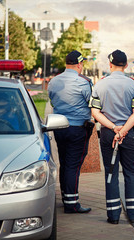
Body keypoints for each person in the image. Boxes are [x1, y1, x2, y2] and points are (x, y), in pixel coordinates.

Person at [90, 49, 134, 224]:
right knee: (130, 172)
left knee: (111, 172)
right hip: (129, 134)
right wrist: (123, 131)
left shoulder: (99, 85)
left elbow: (95, 113)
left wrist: (114, 128)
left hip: (108, 133)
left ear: (110, 65)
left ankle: (113, 216)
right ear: (126, 65)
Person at [48, 50, 92, 214]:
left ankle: (66, 197)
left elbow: (52, 100)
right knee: (73, 165)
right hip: (77, 129)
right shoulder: (84, 82)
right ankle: (72, 204)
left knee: (65, 163)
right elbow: (91, 103)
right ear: (80, 64)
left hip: (59, 128)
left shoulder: (54, 81)